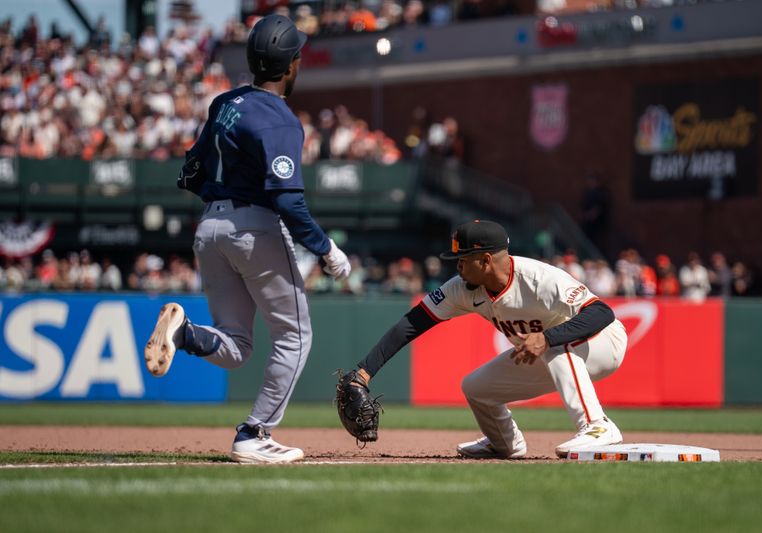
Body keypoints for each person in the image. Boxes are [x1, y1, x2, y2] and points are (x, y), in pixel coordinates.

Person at [143, 15, 351, 464]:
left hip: (210, 229)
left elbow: (191, 172)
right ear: (291, 64)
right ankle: (254, 433)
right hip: (252, 229)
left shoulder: (225, 103)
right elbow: (289, 203)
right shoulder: (281, 120)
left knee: (236, 346)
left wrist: (222, 205)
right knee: (295, 336)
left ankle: (185, 335)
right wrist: (327, 250)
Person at [339, 220, 627, 459]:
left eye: (463, 260)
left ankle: (598, 425)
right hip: (550, 354)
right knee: (476, 387)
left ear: (486, 260)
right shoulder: (462, 289)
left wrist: (546, 337)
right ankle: (504, 443)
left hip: (604, 343)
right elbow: (412, 324)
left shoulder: (540, 278)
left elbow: (602, 313)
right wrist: (365, 371)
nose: (457, 267)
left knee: (555, 348)